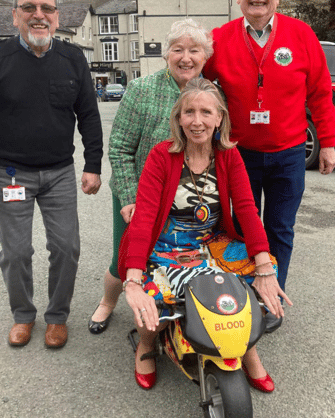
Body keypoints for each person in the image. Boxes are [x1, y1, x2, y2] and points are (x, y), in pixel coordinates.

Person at [119, 78, 293, 392]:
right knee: (153, 298)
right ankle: (147, 345)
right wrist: (132, 278)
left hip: (209, 243)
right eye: (189, 112)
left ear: (219, 118)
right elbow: (144, 217)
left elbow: (247, 210)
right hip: (166, 243)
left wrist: (265, 269)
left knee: (254, 276)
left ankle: (246, 350)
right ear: (178, 118)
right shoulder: (162, 156)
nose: (197, 121)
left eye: (205, 112)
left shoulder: (228, 155)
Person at [203, 0, 335, 330]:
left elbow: (321, 93)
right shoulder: (221, 38)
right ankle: (243, 295)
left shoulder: (302, 35)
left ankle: (272, 298)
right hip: (238, 154)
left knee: (279, 229)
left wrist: (327, 142)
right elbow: (197, 84)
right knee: (240, 228)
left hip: (289, 154)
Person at [0, 0, 103, 349]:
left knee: (67, 248)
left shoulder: (72, 58)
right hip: (11, 172)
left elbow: (89, 116)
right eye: (29, 8)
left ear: (57, 17)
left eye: (46, 8)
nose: (38, 15)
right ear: (15, 16)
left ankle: (57, 316)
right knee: (15, 252)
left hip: (60, 172)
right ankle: (23, 315)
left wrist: (93, 164)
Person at [88, 19, 213, 334]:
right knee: (126, 260)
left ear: (205, 56)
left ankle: (180, 317)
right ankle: (107, 302)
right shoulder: (141, 89)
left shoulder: (212, 93)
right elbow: (119, 149)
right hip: (139, 194)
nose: (186, 57)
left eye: (194, 50)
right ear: (166, 54)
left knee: (182, 258)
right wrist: (130, 199)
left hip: (187, 196)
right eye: (178, 49)